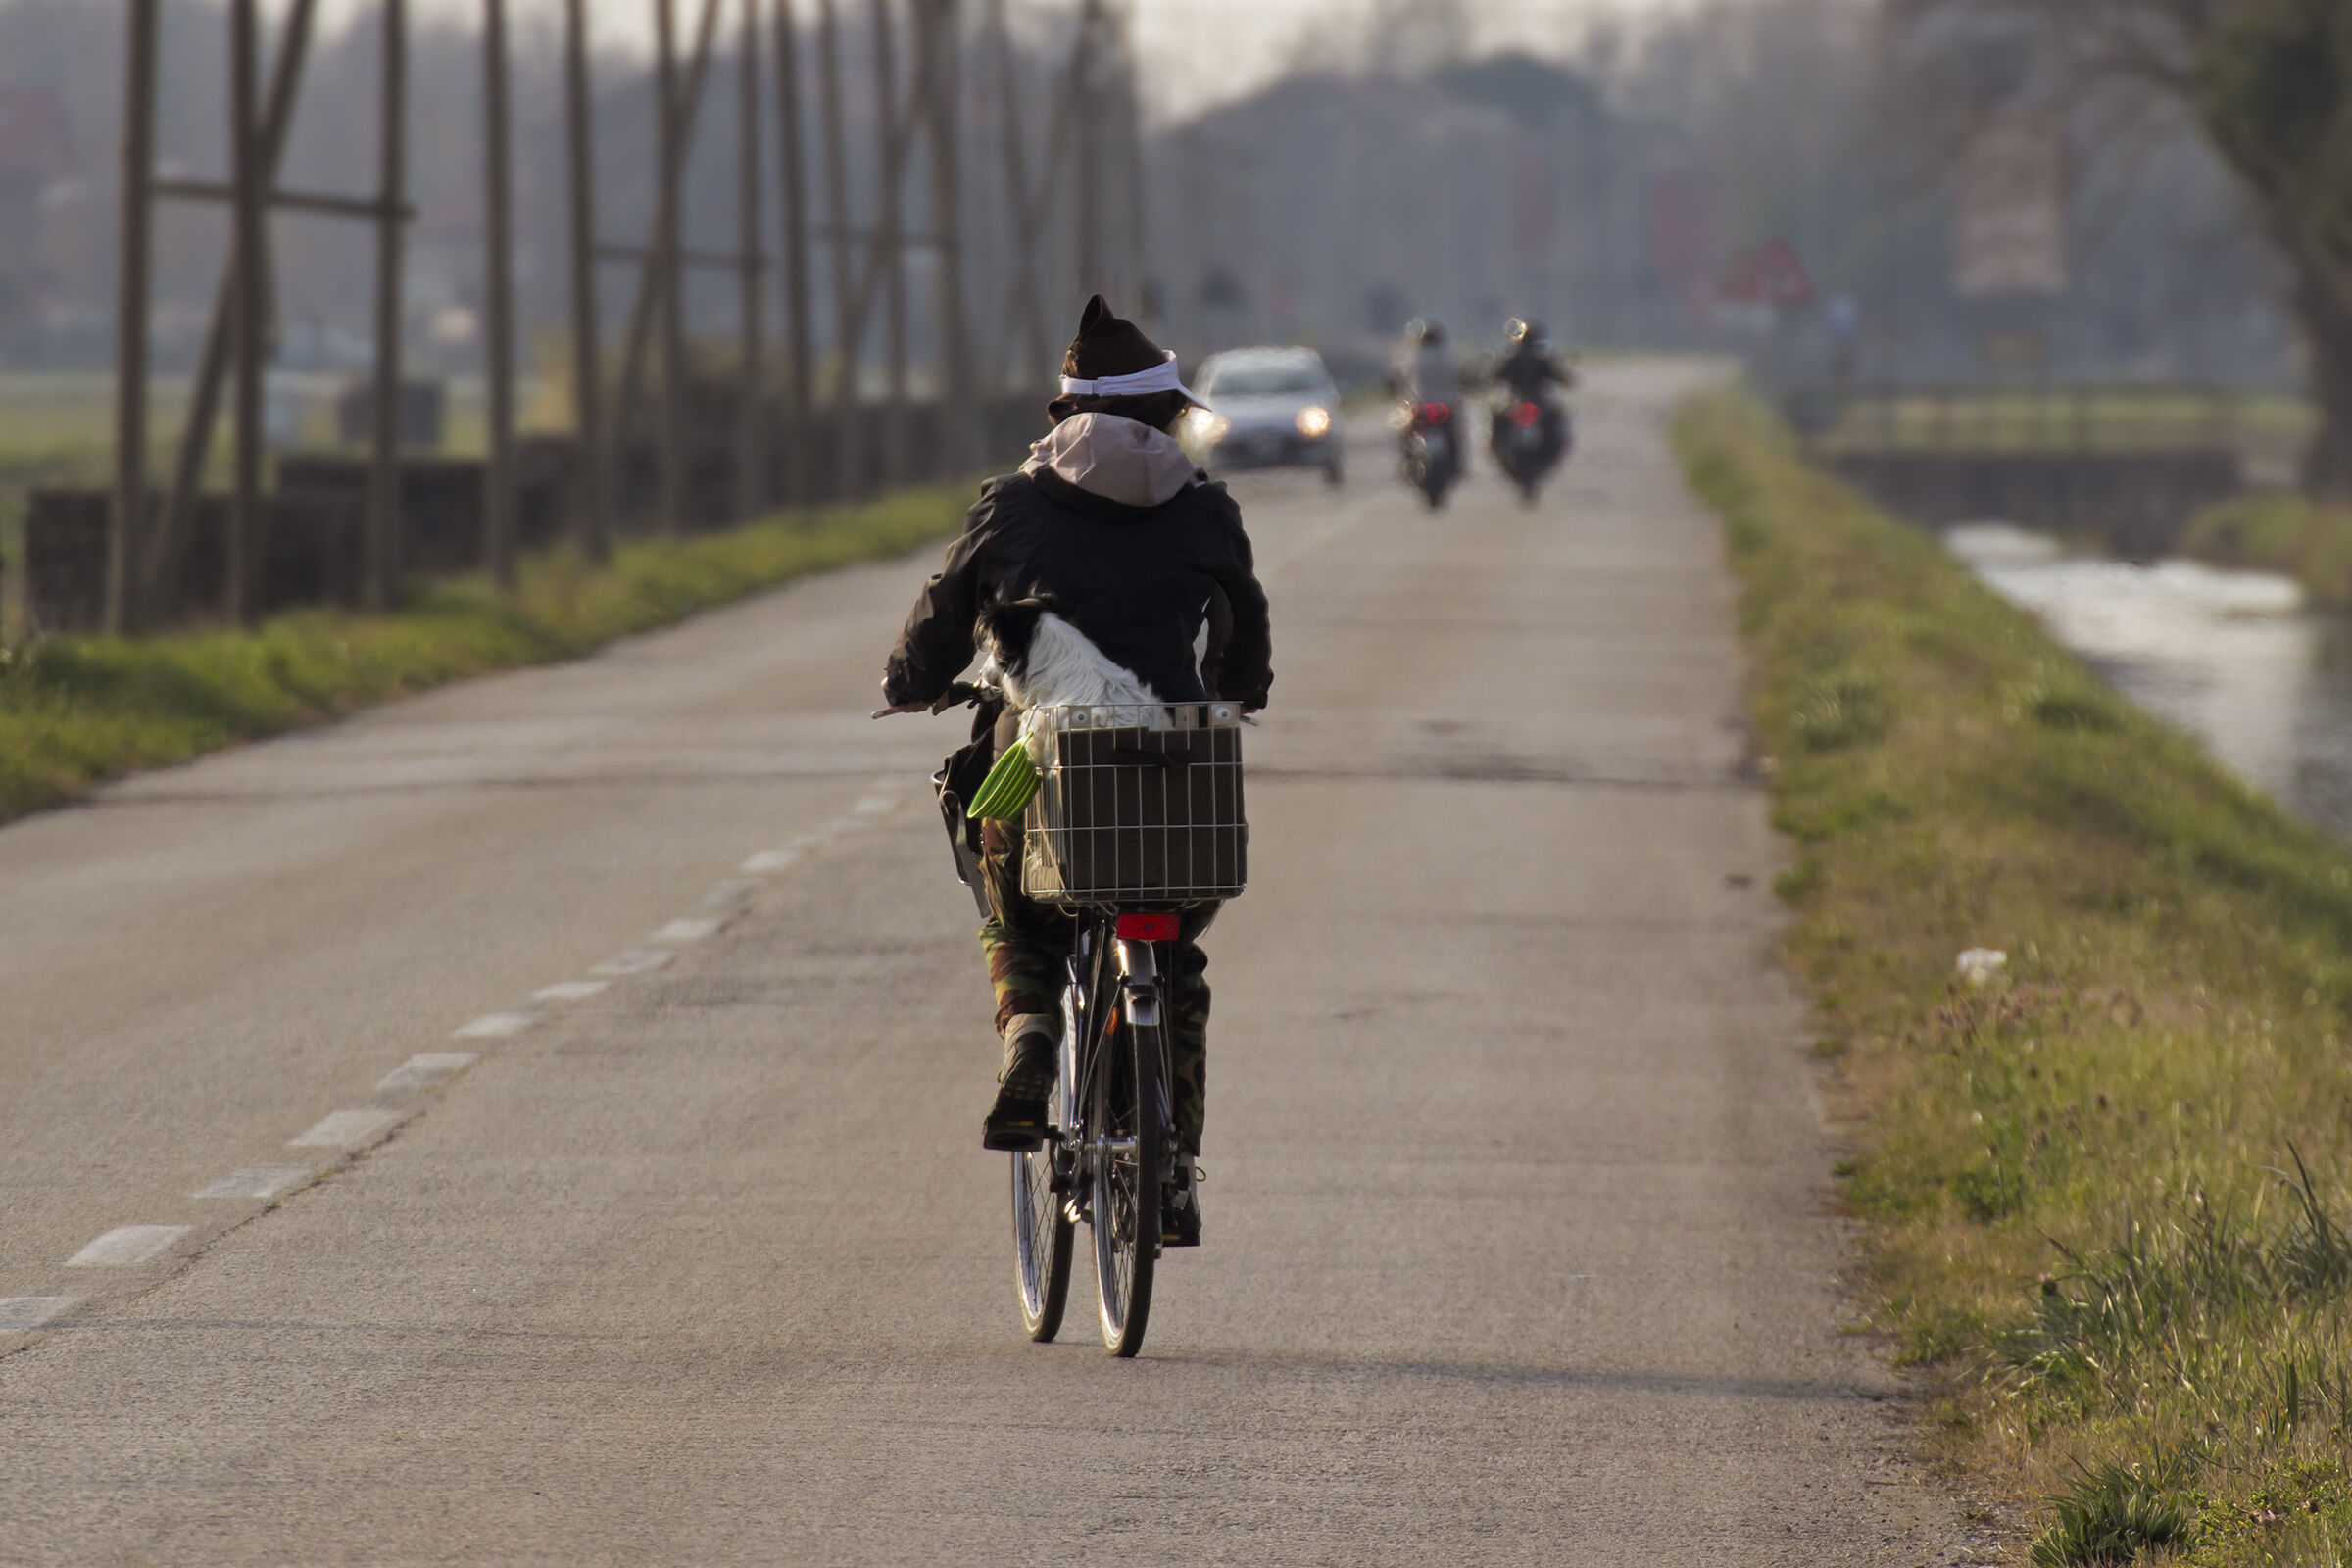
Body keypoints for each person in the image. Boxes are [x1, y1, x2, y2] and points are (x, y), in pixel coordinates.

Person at [877, 295, 1273, 1245]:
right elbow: (1247, 640)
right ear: (1164, 415)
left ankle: (1031, 1034)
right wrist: (1235, 689)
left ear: (1067, 414)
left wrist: (911, 680)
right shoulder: (1206, 507)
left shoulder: (1011, 504)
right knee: (1173, 958)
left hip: (1040, 766)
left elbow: (938, 624)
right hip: (1173, 774)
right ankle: (1169, 1167)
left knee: (1011, 894)